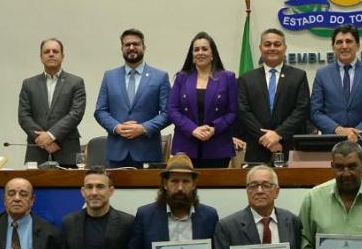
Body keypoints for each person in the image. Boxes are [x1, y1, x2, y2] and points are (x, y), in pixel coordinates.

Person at [310, 24, 362, 164]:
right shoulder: (322, 74)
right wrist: (338, 130)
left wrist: (356, 133)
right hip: (331, 147)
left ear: (358, 45)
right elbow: (315, 112)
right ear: (333, 47)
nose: (344, 46)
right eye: (339, 42)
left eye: (349, 41)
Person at [94, 29, 172, 168]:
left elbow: (168, 113)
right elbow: (100, 111)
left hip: (148, 152)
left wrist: (143, 128)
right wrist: (116, 127)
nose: (131, 47)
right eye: (127, 45)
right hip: (116, 153)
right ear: (122, 48)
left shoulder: (160, 77)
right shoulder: (109, 77)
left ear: (144, 47)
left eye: (136, 44)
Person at [237, 29, 310, 165]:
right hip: (257, 147)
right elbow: (244, 112)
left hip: (287, 145)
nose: (272, 48)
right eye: (267, 44)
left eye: (277, 44)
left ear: (285, 48)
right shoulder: (246, 79)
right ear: (260, 48)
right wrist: (265, 138)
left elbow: (302, 109)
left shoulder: (299, 76)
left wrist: (278, 134)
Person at [167, 32, 238, 168]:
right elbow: (172, 110)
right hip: (186, 145)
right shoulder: (181, 78)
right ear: (192, 55)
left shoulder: (228, 78)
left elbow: (232, 112)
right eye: (196, 50)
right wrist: (193, 129)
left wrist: (214, 128)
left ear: (212, 54)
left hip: (217, 146)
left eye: (205, 49)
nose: (200, 53)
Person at [17, 38, 87, 166]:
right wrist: (42, 140)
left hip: (67, 149)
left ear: (62, 56)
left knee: (69, 180)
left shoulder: (76, 82)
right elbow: (24, 116)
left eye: (55, 51)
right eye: (46, 51)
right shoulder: (29, 84)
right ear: (41, 57)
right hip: (36, 149)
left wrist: (51, 135)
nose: (51, 54)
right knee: (35, 180)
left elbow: (76, 113)